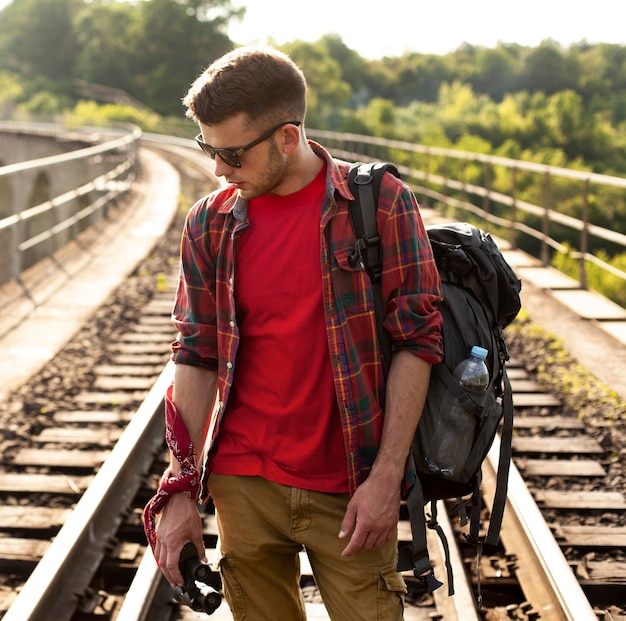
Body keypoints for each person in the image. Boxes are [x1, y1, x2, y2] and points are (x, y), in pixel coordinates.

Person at [144, 45, 443, 620]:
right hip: (242, 485)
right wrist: (180, 485)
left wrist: (386, 480)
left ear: (287, 137)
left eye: (231, 153)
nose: (218, 169)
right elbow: (196, 353)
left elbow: (416, 341)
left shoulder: (378, 205)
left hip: (349, 486)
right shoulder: (210, 221)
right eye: (208, 149)